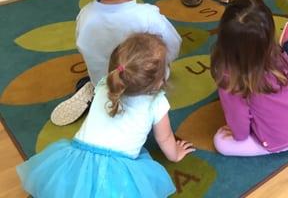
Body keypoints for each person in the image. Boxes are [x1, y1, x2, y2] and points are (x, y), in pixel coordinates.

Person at [18, 33, 195, 198]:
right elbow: (164, 138)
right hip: (117, 172)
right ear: (159, 82)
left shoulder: (104, 85)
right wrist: (175, 155)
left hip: (76, 162)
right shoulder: (157, 103)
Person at [50, 0, 182, 126]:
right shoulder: (148, 16)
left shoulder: (85, 15)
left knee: (105, 71)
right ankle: (126, 100)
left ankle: (97, 91)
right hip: (141, 87)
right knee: (162, 66)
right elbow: (174, 46)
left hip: (104, 81)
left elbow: (83, 47)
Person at [211, 0, 288, 156]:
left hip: (276, 140)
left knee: (220, 142)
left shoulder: (230, 78)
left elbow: (240, 127)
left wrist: (237, 134)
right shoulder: (278, 54)